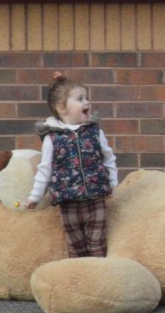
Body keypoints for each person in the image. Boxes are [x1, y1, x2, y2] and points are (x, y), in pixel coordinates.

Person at [27, 72, 118, 259]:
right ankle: (79, 281)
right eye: (80, 99)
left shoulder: (94, 132)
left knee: (98, 245)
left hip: (96, 199)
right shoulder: (52, 139)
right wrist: (35, 197)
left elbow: (108, 158)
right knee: (76, 247)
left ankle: (98, 280)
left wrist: (113, 183)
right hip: (68, 202)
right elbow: (45, 170)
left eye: (87, 98)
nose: (87, 103)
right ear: (62, 108)